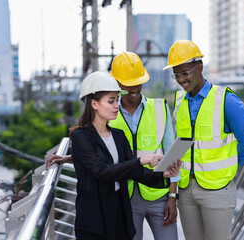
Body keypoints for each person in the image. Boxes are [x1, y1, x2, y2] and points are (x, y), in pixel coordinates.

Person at [48, 52, 180, 240]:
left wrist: (165, 176)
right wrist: (142, 160)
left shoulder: (118, 134)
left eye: (116, 100)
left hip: (130, 206)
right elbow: (101, 169)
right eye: (111, 101)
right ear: (94, 104)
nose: (116, 105)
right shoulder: (82, 136)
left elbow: (133, 169)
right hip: (101, 213)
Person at [163, 40, 244, 240]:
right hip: (186, 189)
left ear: (200, 68)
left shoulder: (226, 100)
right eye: (176, 74)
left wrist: (228, 168)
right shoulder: (179, 100)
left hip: (218, 189)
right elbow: (181, 143)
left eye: (185, 73)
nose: (181, 79)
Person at [109, 52, 179, 240]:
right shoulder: (108, 113)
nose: (134, 88)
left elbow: (172, 155)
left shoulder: (160, 108)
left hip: (159, 194)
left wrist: (173, 197)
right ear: (116, 83)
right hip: (124, 197)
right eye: (127, 83)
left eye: (137, 82)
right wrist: (68, 157)